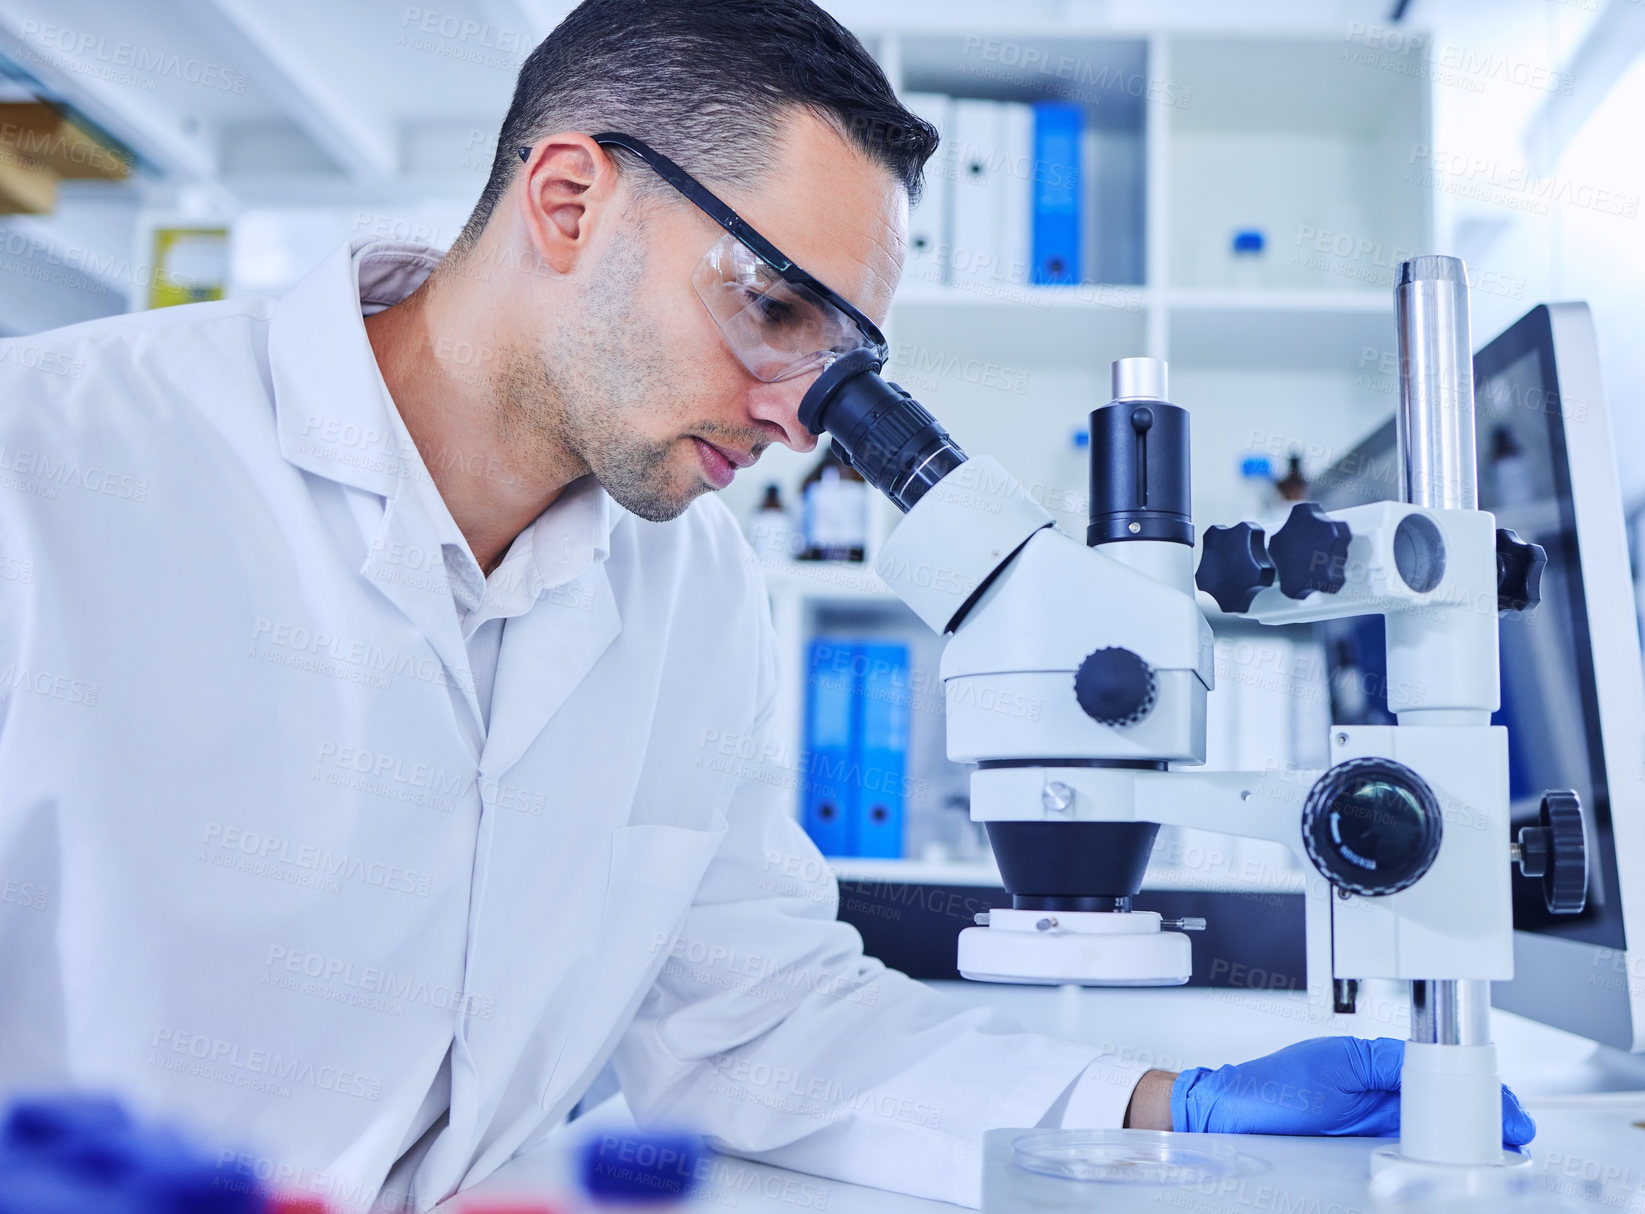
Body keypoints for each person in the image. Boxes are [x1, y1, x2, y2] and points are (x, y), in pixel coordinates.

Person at [0, 1, 1531, 1209]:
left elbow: (752, 1018)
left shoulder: (694, 584)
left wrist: (1157, 1103)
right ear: (567, 199)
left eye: (842, 352)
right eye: (771, 307)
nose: (801, 414)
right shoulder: (48, 465)